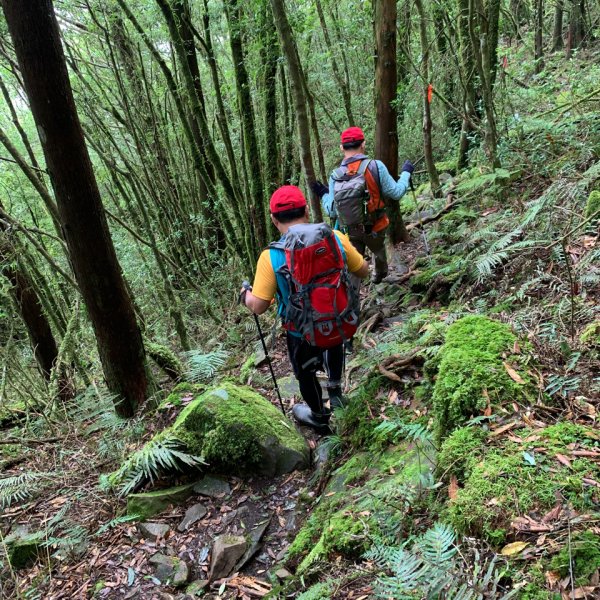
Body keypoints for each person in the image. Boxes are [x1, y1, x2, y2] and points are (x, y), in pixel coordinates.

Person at [242, 185, 368, 433]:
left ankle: (319, 415)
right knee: (333, 343)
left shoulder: (270, 257)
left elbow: (258, 306)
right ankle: (335, 391)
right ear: (307, 211)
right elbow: (363, 270)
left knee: (306, 373)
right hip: (336, 319)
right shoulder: (335, 238)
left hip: (300, 332)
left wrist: (245, 294)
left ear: (274, 220)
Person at [311, 126, 414, 284]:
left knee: (353, 269)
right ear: (363, 144)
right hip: (376, 227)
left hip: (349, 230)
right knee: (379, 252)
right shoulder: (375, 166)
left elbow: (332, 211)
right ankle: (379, 274)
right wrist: (406, 172)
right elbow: (396, 192)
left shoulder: (336, 175)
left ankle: (353, 300)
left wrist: (323, 193)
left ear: (341, 148)